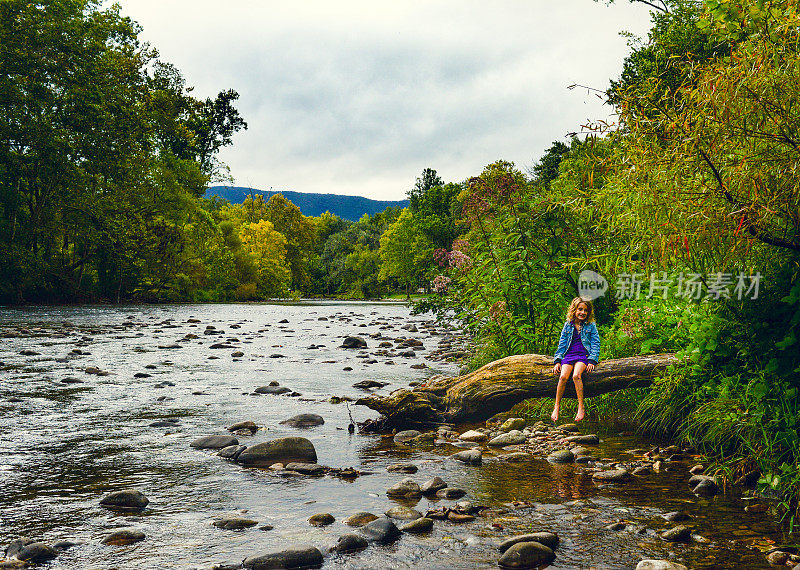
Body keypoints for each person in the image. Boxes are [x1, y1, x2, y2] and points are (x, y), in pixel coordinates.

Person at [551, 297, 601, 423]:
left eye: (585, 310)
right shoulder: (568, 325)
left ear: (588, 312)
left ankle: (581, 406)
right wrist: (557, 360)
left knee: (576, 376)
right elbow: (562, 344)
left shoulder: (591, 325)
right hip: (569, 355)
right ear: (574, 310)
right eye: (580, 309)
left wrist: (592, 360)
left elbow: (596, 343)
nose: (582, 312)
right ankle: (557, 406)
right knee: (562, 377)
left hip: (583, 355)